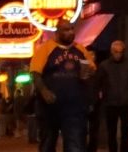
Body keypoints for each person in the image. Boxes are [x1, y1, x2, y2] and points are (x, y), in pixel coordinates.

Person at [31, 18, 96, 152]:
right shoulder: (46, 49)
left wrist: (88, 73)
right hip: (50, 107)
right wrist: (44, 91)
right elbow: (35, 73)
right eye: (66, 30)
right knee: (48, 143)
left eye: (72, 29)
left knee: (75, 145)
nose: (71, 32)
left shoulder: (80, 49)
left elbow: (89, 70)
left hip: (74, 106)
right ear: (57, 32)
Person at [97, 40, 128, 152]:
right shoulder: (104, 66)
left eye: (120, 52)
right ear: (112, 51)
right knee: (112, 131)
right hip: (110, 103)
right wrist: (103, 95)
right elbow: (99, 82)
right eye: (116, 52)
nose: (118, 55)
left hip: (125, 103)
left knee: (125, 131)